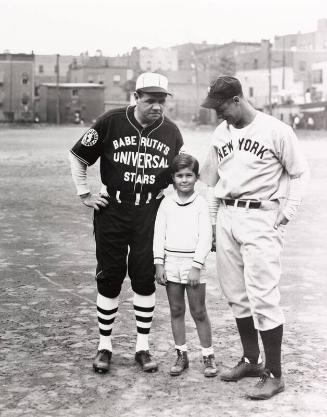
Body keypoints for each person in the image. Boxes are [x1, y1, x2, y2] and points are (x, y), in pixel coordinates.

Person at [200, 76, 309, 399]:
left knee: (263, 295)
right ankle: (251, 360)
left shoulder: (276, 130)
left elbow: (299, 173)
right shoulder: (221, 133)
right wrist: (213, 225)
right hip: (228, 216)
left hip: (261, 215)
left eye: (221, 108)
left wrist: (288, 211)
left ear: (236, 99)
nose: (218, 115)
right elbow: (212, 182)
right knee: (235, 293)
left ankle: (275, 374)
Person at [69, 72, 184, 374]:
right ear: (135, 98)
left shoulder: (171, 131)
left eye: (161, 101)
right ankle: (104, 346)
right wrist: (84, 194)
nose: (157, 107)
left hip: (150, 212)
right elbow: (78, 156)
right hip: (114, 209)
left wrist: (173, 198)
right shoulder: (111, 121)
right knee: (110, 276)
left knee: (145, 278)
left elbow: (182, 172)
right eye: (150, 101)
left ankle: (142, 348)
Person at [153, 154, 217, 378]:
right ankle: (181, 354)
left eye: (189, 175)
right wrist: (159, 264)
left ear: (196, 178)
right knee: (176, 310)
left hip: (193, 264)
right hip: (171, 263)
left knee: (199, 311)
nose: (184, 180)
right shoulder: (166, 202)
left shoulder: (202, 204)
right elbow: (159, 234)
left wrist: (196, 266)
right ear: (172, 178)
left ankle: (208, 355)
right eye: (179, 175)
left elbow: (206, 237)